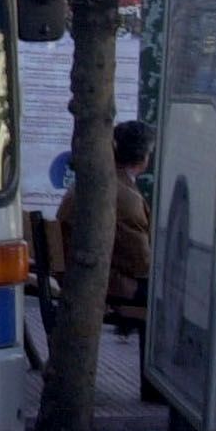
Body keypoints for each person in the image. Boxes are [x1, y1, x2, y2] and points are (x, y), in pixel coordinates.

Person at [56, 118, 153, 307]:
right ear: (142, 158)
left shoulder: (90, 181)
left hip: (74, 271)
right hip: (104, 281)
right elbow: (141, 263)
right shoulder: (126, 198)